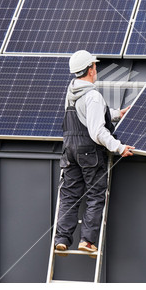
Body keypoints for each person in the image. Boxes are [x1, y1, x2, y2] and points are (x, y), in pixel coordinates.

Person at [54, 50, 135, 254]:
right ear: (91, 69)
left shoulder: (71, 91)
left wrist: (116, 114)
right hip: (89, 152)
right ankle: (87, 241)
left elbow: (86, 116)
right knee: (95, 194)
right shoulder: (93, 96)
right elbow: (97, 130)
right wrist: (119, 147)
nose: (96, 68)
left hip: (69, 151)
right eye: (95, 66)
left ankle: (62, 239)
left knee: (69, 195)